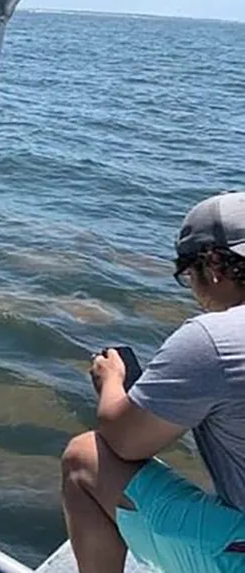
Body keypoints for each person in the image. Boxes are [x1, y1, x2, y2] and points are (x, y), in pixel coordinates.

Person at [61, 191, 245, 573]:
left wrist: (110, 382)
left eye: (188, 276)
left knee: (84, 458)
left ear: (213, 265)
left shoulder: (214, 338)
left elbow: (126, 442)